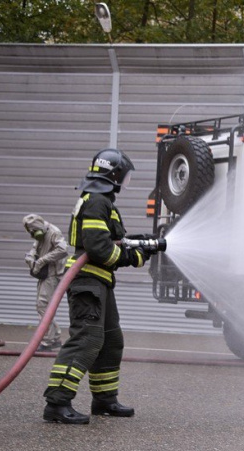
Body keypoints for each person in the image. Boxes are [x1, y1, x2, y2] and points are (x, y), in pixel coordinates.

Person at [43, 148, 150, 424]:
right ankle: (57, 403)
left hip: (100, 282)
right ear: (112, 174)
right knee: (87, 340)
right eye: (124, 177)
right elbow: (99, 248)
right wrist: (130, 256)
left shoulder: (103, 201)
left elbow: (113, 242)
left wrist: (140, 247)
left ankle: (104, 400)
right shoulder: (97, 201)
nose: (126, 183)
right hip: (86, 283)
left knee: (111, 340)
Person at [23, 214, 68, 352]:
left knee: (43, 306)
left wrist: (42, 260)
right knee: (43, 306)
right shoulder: (40, 234)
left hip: (53, 274)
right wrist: (31, 257)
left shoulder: (54, 232)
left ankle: (49, 340)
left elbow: (63, 250)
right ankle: (53, 339)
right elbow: (35, 246)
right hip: (46, 274)